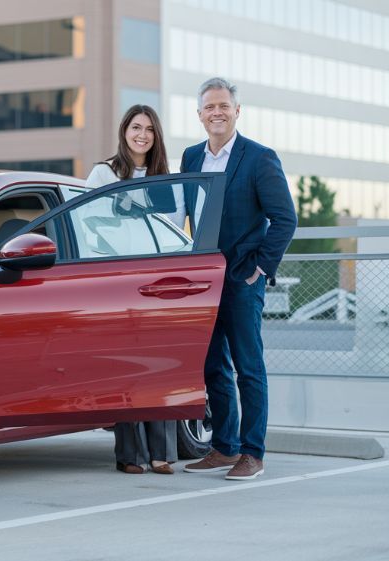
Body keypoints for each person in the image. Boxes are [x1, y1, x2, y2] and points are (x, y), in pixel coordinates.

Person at [180, 77, 296, 480]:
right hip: (204, 280)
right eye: (209, 106)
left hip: (243, 278)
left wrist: (260, 269)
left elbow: (285, 219)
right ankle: (224, 447)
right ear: (199, 114)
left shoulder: (260, 158)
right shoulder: (191, 157)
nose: (217, 112)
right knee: (212, 366)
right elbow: (186, 214)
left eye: (223, 106)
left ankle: (252, 452)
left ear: (236, 111)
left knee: (248, 366)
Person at [86, 104, 176, 475]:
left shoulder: (163, 178)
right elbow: (87, 225)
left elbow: (173, 229)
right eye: (136, 127)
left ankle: (161, 453)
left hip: (158, 281)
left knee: (162, 366)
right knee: (128, 366)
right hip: (120, 280)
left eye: (150, 129)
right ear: (124, 131)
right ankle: (131, 455)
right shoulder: (103, 173)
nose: (142, 135)